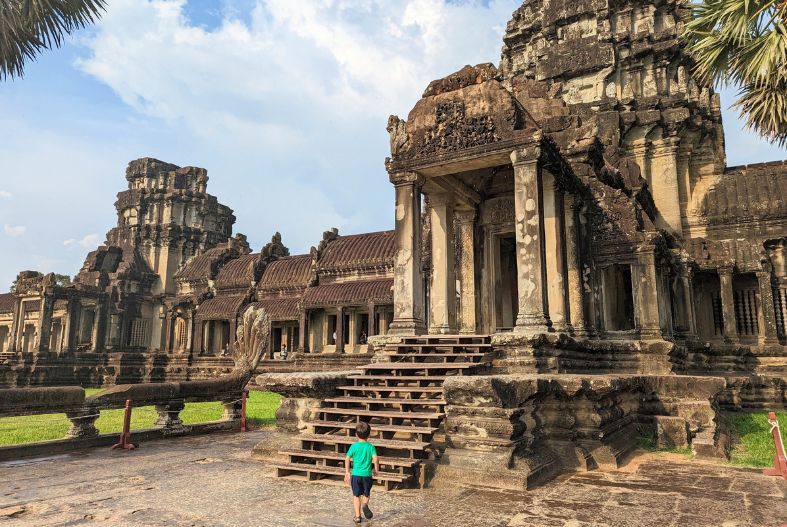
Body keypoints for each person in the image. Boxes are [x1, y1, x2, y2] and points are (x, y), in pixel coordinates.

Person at [344, 422, 379, 523]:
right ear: (369, 435)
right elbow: (375, 459)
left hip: (356, 475)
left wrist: (347, 472)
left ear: (356, 434)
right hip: (367, 475)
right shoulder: (370, 447)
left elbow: (347, 458)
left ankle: (358, 516)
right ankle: (365, 505)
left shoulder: (354, 446)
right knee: (366, 494)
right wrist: (376, 470)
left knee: (356, 496)